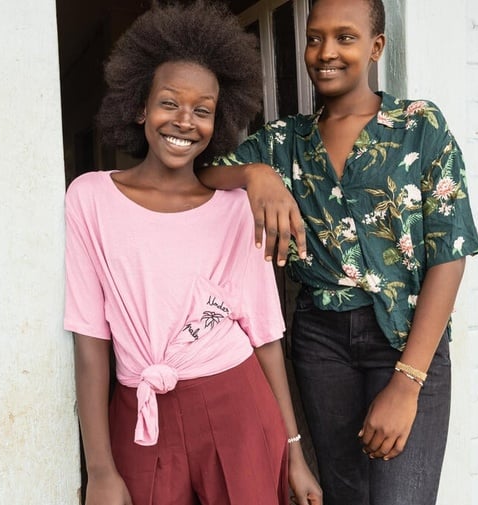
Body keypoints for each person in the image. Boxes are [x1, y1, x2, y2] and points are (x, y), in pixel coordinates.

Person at [197, 0, 478, 504]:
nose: (325, 52)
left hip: (406, 340)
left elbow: (449, 253)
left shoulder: (420, 126)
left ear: (376, 48)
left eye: (345, 38)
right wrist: (255, 174)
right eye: (314, 38)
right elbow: (202, 173)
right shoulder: (284, 142)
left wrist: (408, 382)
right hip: (320, 343)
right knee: (343, 495)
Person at [63, 2, 322, 504]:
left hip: (237, 407)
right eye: (169, 103)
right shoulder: (89, 199)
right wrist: (99, 470)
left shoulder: (236, 210)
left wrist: (295, 453)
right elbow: (89, 340)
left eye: (202, 110)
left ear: (217, 121)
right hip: (141, 416)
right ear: (140, 106)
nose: (184, 121)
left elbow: (265, 336)